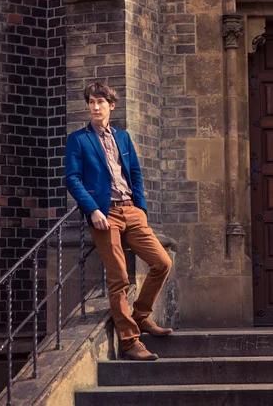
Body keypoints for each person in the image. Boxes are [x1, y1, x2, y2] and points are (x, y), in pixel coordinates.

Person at [65, 82, 172, 361]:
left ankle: (142, 315)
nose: (95, 107)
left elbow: (134, 173)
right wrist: (92, 210)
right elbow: (72, 179)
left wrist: (141, 210)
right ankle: (129, 340)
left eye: (101, 102)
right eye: (91, 102)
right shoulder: (79, 139)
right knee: (119, 278)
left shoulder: (123, 137)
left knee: (162, 262)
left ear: (111, 106)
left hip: (131, 211)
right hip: (105, 214)